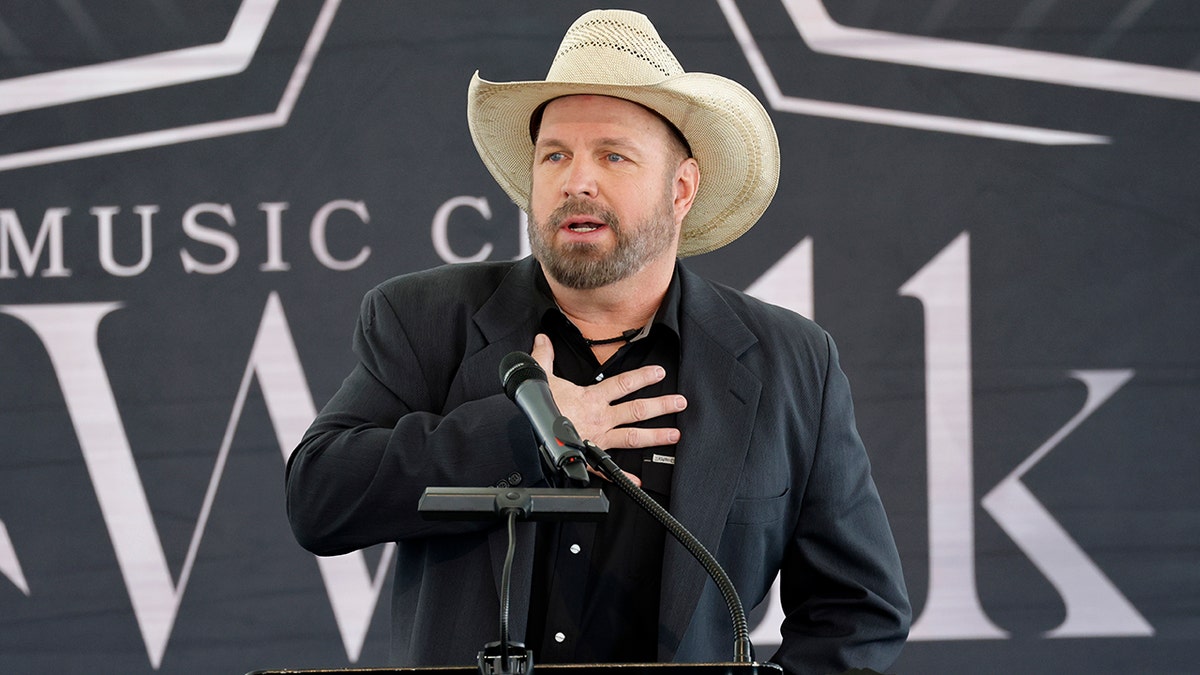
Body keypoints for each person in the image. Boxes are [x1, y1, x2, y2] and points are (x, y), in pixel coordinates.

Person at [286, 9, 910, 674]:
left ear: (681, 188)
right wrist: (526, 432)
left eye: (612, 155)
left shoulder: (792, 364)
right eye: (555, 154)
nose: (576, 180)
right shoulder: (424, 318)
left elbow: (861, 611)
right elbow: (321, 499)